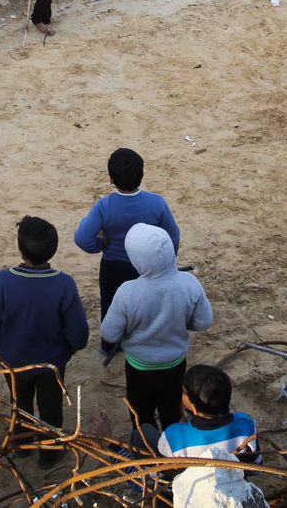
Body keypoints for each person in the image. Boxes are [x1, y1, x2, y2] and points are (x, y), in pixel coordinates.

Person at [0, 216, 88, 466]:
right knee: (51, 407)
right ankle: (49, 454)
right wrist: (68, 350)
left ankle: (22, 444)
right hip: (51, 363)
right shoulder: (63, 284)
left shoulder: (2, 281)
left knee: (19, 404)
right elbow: (78, 333)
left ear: (21, 251)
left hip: (13, 361)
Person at [100, 223, 213, 438]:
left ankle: (146, 450)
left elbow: (110, 334)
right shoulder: (189, 283)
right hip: (175, 364)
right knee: (172, 411)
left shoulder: (127, 292)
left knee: (141, 415)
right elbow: (203, 322)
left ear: (135, 260)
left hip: (139, 368)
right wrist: (181, 322)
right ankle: (173, 448)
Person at [74, 148, 181, 320]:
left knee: (112, 308)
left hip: (114, 267)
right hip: (149, 265)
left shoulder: (104, 206)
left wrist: (101, 244)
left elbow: (82, 238)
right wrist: (167, 262)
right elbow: (173, 235)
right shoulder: (157, 203)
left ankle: (113, 337)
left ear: (111, 179)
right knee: (148, 309)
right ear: (142, 174)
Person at [156, 365, 261, 465]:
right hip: (235, 475)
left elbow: (164, 471)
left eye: (184, 392)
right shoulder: (246, 424)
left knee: (148, 430)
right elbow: (256, 462)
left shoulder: (172, 436)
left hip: (188, 478)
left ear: (194, 409)